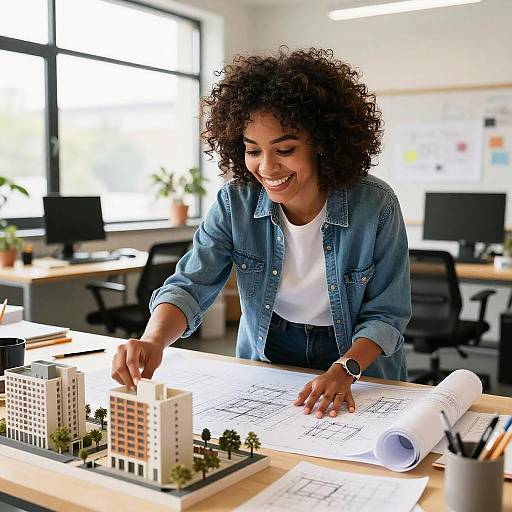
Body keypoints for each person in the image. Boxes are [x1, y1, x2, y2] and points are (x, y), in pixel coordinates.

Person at [112, 47, 411, 420]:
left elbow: (387, 314)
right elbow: (191, 283)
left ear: (322, 143)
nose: (266, 167)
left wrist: (345, 369)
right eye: (253, 150)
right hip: (270, 345)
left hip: (353, 355)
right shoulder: (235, 201)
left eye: (285, 149)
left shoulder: (375, 205)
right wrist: (153, 339)